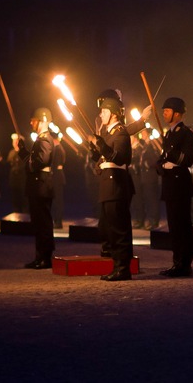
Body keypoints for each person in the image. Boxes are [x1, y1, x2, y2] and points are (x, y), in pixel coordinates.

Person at [89, 97, 134, 281]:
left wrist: (102, 145)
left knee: (119, 229)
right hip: (108, 185)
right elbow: (101, 158)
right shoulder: (108, 133)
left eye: (104, 111)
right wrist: (94, 148)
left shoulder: (121, 133)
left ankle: (123, 268)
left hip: (117, 184)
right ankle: (117, 266)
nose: (101, 114)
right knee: (109, 229)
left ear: (113, 113)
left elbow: (119, 157)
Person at [157, 97, 193, 277]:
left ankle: (184, 263)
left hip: (180, 183)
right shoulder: (168, 134)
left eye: (167, 110)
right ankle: (176, 261)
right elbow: (162, 158)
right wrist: (160, 165)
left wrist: (170, 153)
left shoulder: (186, 133)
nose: (164, 113)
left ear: (177, 113)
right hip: (170, 183)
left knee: (182, 224)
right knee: (173, 225)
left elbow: (187, 160)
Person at [17, 107, 56, 269]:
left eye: (34, 119)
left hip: (42, 185)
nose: (31, 122)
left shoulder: (45, 139)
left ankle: (45, 257)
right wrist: (24, 152)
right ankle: (39, 256)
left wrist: (28, 161)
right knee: (38, 223)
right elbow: (33, 160)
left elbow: (41, 161)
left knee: (43, 223)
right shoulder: (40, 139)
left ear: (42, 120)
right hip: (37, 185)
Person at [7, 133, 27, 213]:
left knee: (23, 199)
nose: (14, 142)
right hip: (14, 180)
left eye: (16, 141)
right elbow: (9, 163)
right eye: (13, 141)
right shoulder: (11, 152)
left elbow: (24, 164)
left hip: (22, 179)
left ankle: (24, 215)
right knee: (15, 199)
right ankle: (16, 214)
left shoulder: (23, 152)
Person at [51, 132, 66, 230]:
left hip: (57, 177)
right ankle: (57, 220)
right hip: (57, 177)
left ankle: (58, 221)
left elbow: (56, 164)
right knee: (56, 201)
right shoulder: (59, 148)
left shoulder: (58, 149)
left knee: (58, 201)